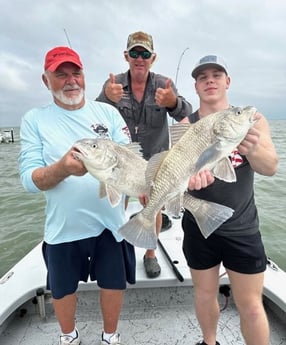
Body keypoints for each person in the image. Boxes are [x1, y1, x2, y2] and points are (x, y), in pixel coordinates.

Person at [18, 46, 136, 345]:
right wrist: (62, 168)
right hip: (63, 227)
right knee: (62, 288)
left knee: (113, 283)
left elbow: (130, 156)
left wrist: (141, 186)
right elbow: (29, 180)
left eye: (76, 73)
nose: (71, 81)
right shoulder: (35, 119)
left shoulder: (108, 112)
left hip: (111, 222)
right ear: (46, 81)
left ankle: (111, 336)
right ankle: (69, 337)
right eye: (61, 75)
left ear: (84, 76)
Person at [181, 55, 278, 345]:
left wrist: (252, 149)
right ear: (196, 87)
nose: (210, 80)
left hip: (242, 227)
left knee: (250, 304)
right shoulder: (187, 124)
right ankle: (209, 342)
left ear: (227, 82)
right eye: (202, 77)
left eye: (216, 75)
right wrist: (189, 180)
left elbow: (270, 167)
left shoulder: (251, 119)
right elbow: (178, 174)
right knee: (204, 292)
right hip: (199, 227)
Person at [96, 31, 193, 278]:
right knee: (118, 201)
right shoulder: (113, 83)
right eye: (135, 53)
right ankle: (119, 246)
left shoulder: (163, 84)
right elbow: (95, 117)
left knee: (155, 205)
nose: (140, 58)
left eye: (145, 53)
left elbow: (186, 113)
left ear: (153, 58)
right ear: (126, 56)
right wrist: (106, 98)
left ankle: (150, 253)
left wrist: (172, 102)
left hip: (156, 160)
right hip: (123, 160)